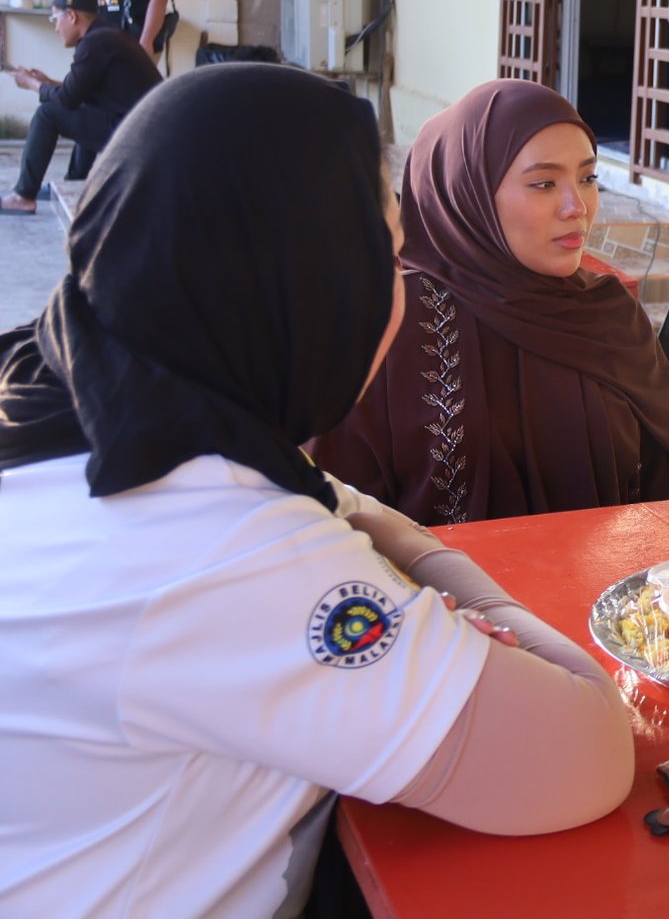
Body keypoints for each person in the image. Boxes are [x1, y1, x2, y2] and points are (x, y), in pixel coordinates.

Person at [0, 64, 635, 917]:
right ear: (317, 287)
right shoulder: (222, 544)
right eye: (386, 252)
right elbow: (582, 752)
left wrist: (350, 517)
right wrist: (437, 568)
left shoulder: (55, 396)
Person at [310, 79, 669, 525]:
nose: (577, 207)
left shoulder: (610, 318)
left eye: (588, 178)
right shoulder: (395, 320)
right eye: (544, 183)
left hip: (610, 571)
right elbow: (333, 511)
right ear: (466, 191)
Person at [2, 0, 161, 215]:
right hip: (143, 131)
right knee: (84, 106)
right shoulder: (106, 35)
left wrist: (32, 84)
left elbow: (66, 99)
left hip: (137, 137)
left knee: (47, 114)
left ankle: (23, 196)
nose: (56, 27)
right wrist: (47, 82)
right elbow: (77, 92)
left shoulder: (95, 43)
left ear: (71, 15)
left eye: (55, 19)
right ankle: (75, 183)